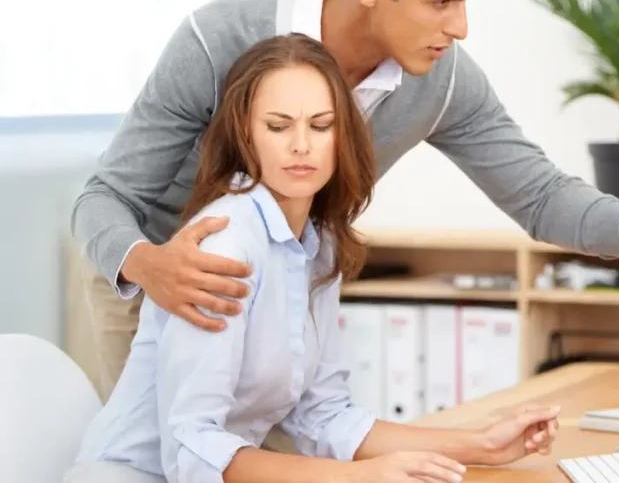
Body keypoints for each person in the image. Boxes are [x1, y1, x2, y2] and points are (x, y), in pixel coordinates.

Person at [72, 0, 619, 406]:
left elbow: (539, 195)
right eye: (442, 1)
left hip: (283, 295)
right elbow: (104, 198)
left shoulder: (441, 81)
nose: (461, 26)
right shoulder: (220, 38)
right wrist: (149, 266)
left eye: (465, 1)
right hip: (161, 287)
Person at [64, 33, 560, 483]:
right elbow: (193, 450)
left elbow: (324, 417)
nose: (302, 146)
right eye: (278, 126)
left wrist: (482, 444)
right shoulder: (224, 245)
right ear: (245, 134)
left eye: (321, 126)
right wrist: (359, 477)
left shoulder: (317, 242)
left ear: (342, 136)